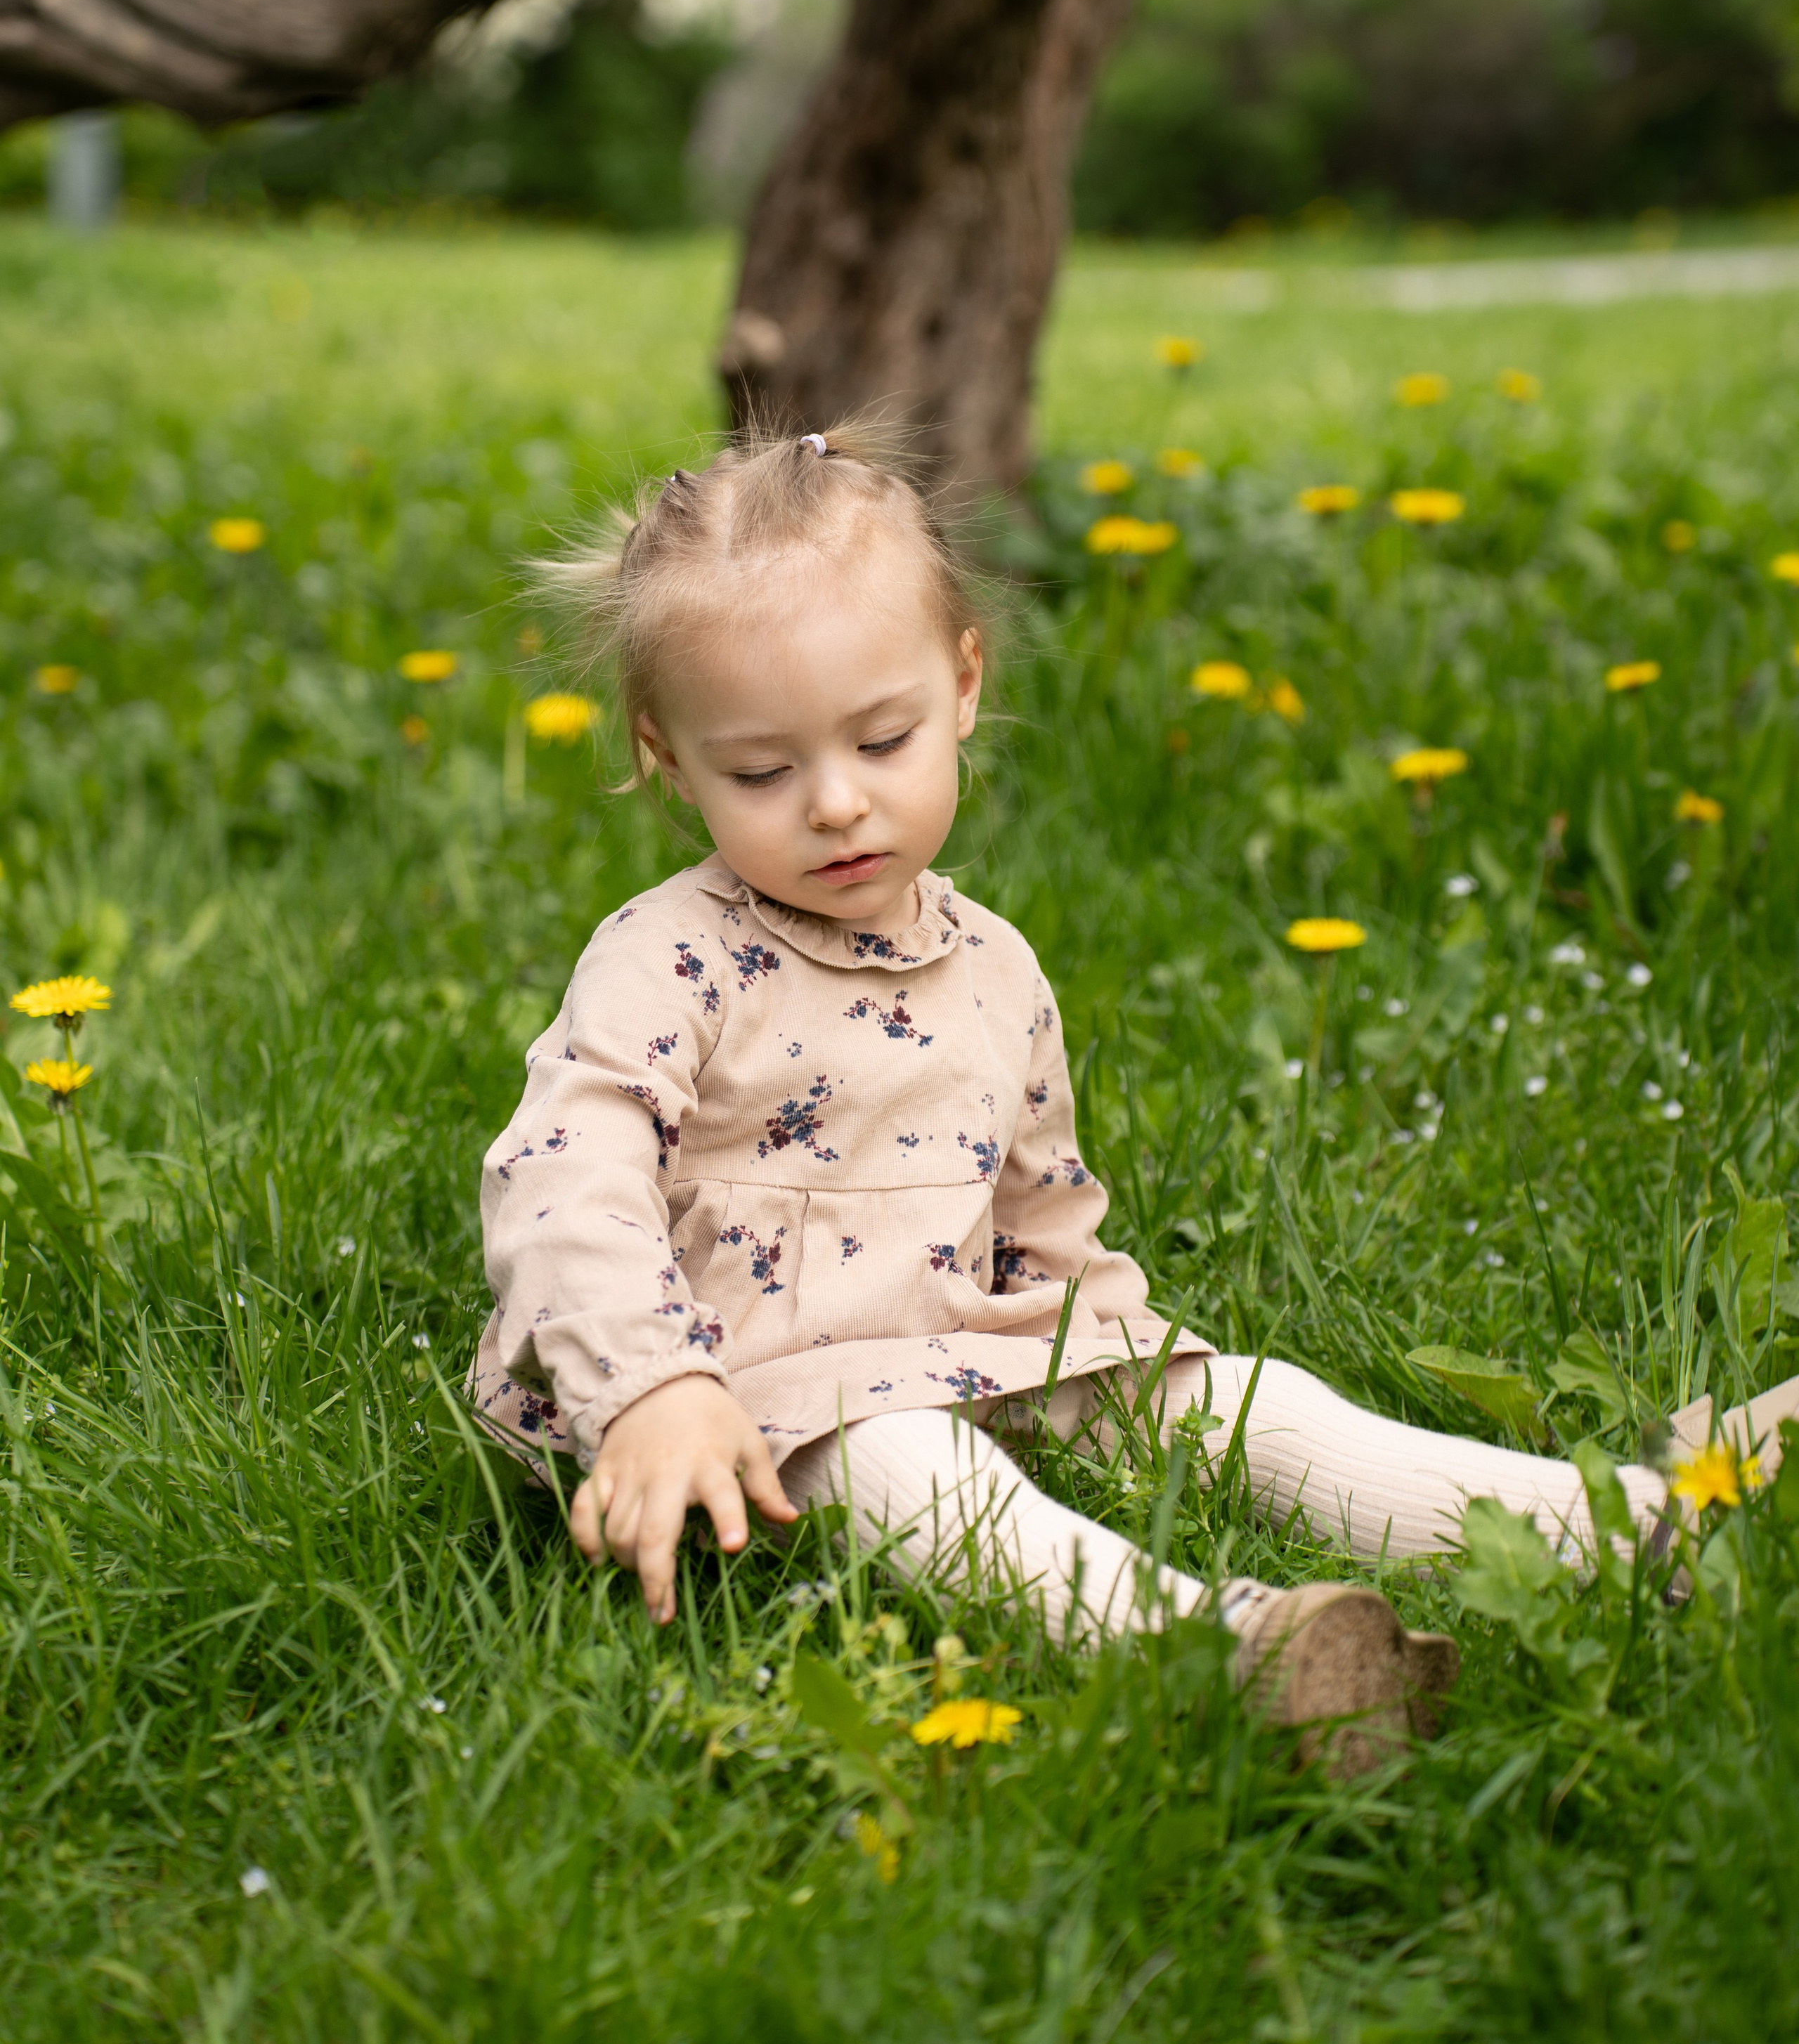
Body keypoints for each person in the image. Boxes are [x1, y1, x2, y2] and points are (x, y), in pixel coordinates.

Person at [471, 426, 1795, 1767]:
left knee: (1254, 1402)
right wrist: (647, 1388)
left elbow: (1039, 1211)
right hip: (743, 1393)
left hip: (957, 1337)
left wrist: (1122, 1361)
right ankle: (1217, 1655)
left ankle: (1630, 1522)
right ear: (666, 754)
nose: (835, 804)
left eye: (884, 739)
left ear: (966, 684)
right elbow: (565, 1168)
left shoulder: (990, 963)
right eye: (761, 771)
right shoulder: (670, 959)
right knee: (917, 1473)